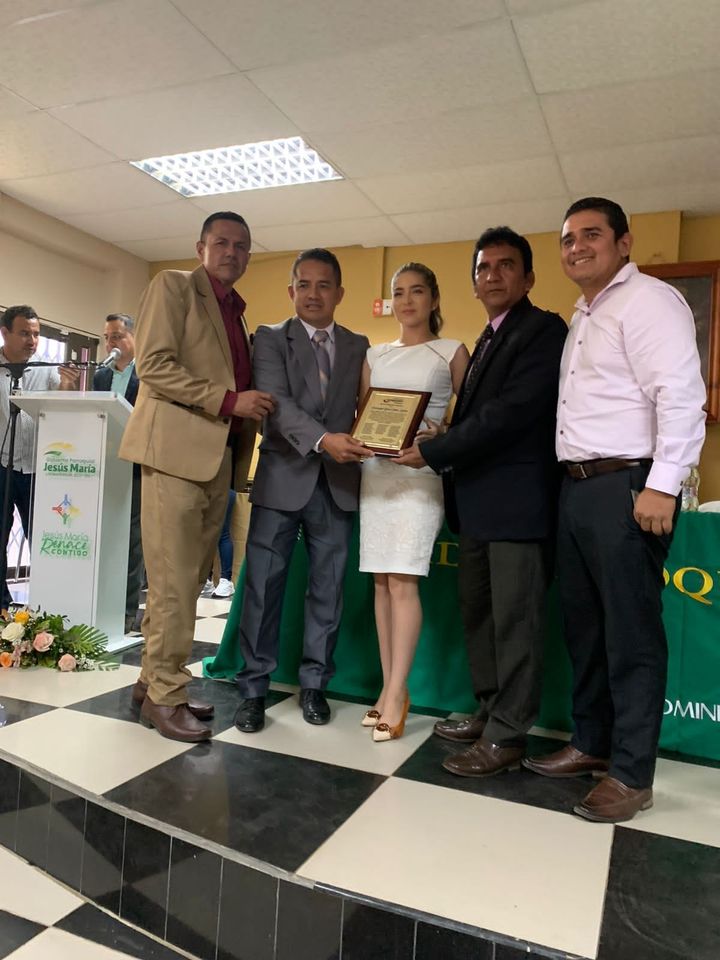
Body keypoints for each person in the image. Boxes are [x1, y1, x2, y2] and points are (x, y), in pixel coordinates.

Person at [523, 198, 706, 822]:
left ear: (624, 243)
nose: (576, 246)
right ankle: (592, 742)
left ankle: (631, 773)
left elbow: (679, 395)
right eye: (567, 238)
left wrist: (663, 484)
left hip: (628, 485)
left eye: (591, 234)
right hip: (577, 487)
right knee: (585, 627)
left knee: (630, 634)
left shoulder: (648, 301)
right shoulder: (586, 313)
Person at [396, 228, 567, 775]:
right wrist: (441, 436)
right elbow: (479, 419)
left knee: (515, 622)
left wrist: (437, 450)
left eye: (505, 265)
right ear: (473, 283)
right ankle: (490, 711)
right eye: (483, 267)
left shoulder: (542, 330)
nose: (492, 275)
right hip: (475, 507)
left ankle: (508, 735)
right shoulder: (489, 338)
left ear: (528, 277)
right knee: (481, 617)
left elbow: (511, 413)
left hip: (518, 508)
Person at [119, 212, 274, 743]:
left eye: (242, 245)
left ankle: (150, 682)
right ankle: (167, 697)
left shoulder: (237, 312)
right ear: (201, 247)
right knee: (172, 584)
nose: (232, 252)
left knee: (185, 582)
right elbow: (154, 366)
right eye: (221, 242)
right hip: (174, 456)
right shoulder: (174, 286)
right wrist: (230, 401)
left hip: (216, 461)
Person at [233, 248, 369, 734]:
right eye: (304, 285)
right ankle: (253, 689)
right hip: (281, 480)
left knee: (328, 591)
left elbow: (370, 408)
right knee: (263, 588)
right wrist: (324, 439)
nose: (313, 294)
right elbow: (277, 403)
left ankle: (314, 685)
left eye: (323, 285)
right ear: (291, 291)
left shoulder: (358, 345)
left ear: (339, 293)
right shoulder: (270, 338)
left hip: (337, 485)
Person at [358, 263, 469, 741]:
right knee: (381, 583)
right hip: (376, 474)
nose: (407, 301)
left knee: (403, 581)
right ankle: (389, 689)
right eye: (399, 292)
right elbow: (364, 413)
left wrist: (442, 434)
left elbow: (475, 414)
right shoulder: (374, 354)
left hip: (420, 476)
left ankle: (397, 692)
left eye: (417, 291)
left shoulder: (451, 351)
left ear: (434, 298)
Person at [0, 305, 79, 608]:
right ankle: (2, 606)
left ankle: (48, 605)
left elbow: (63, 412)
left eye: (35, 334)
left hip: (39, 470)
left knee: (44, 539)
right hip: (2, 466)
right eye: (24, 333)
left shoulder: (46, 369)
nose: (32, 341)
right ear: (5, 333)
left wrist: (68, 386)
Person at [93, 313, 144, 633]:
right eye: (107, 337)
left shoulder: (148, 373)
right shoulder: (100, 376)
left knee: (133, 541)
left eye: (117, 336)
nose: (111, 343)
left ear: (134, 337)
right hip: (106, 465)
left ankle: (126, 610)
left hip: (136, 467)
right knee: (106, 536)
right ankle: (100, 602)